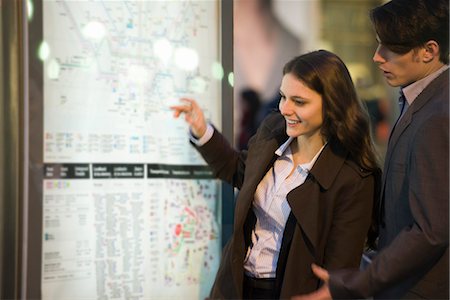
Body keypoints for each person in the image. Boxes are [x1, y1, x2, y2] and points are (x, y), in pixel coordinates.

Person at [171, 50, 381, 299]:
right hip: (238, 285)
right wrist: (202, 130)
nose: (285, 109)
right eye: (283, 97)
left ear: (332, 104)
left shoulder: (354, 177)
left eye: (299, 101)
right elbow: (239, 171)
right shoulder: (274, 132)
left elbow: (340, 267)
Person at [294, 0, 449, 299]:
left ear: (429, 51)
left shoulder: (439, 115)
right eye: (379, 44)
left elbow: (431, 231)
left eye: (391, 47)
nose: (377, 57)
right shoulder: (423, 99)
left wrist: (362, 279)